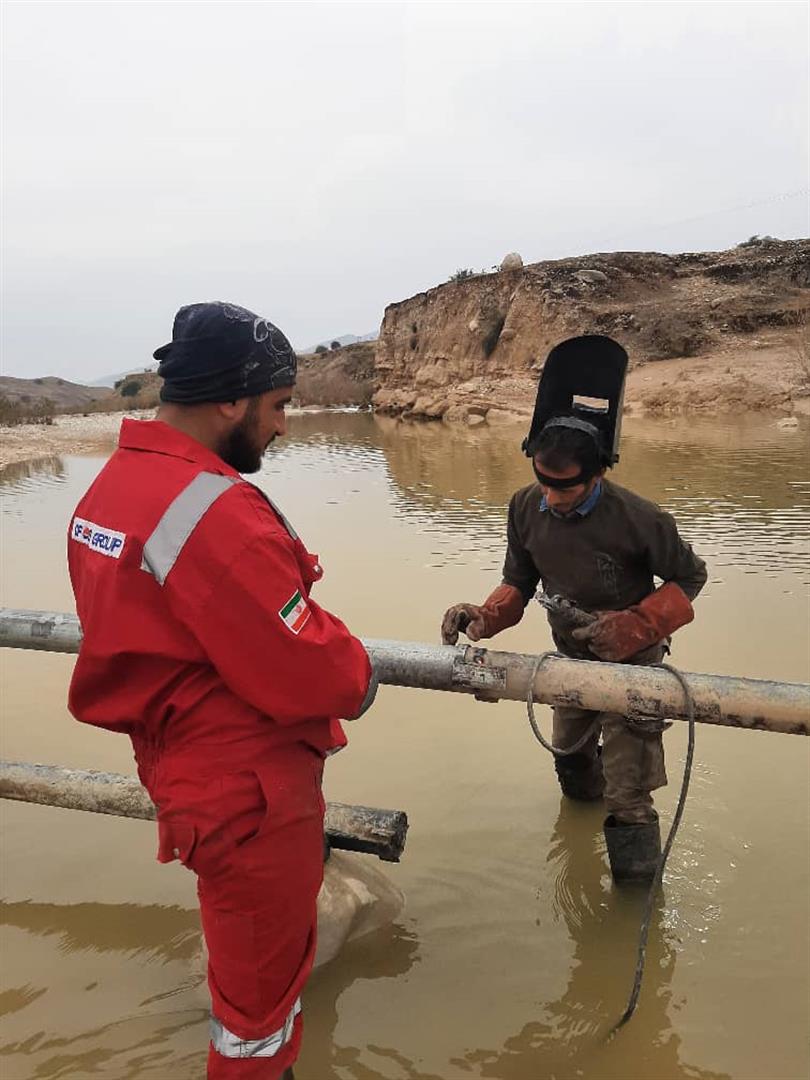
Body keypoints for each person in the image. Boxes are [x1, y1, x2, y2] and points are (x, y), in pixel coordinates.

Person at [67, 301, 376, 1079]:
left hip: (188, 771)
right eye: (277, 406)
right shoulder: (209, 511)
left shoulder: (112, 488)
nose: (282, 426)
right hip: (249, 793)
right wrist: (360, 670)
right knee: (256, 1020)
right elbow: (308, 664)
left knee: (249, 995)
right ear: (232, 400)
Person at [441, 335, 707, 883]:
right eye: (543, 486)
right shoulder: (525, 507)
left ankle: (636, 905)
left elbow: (691, 575)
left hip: (633, 667)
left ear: (597, 475)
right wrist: (484, 617)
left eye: (565, 493)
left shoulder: (640, 518)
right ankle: (581, 851)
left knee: (628, 793)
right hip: (570, 664)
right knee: (569, 758)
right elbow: (518, 581)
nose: (552, 501)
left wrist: (637, 625)